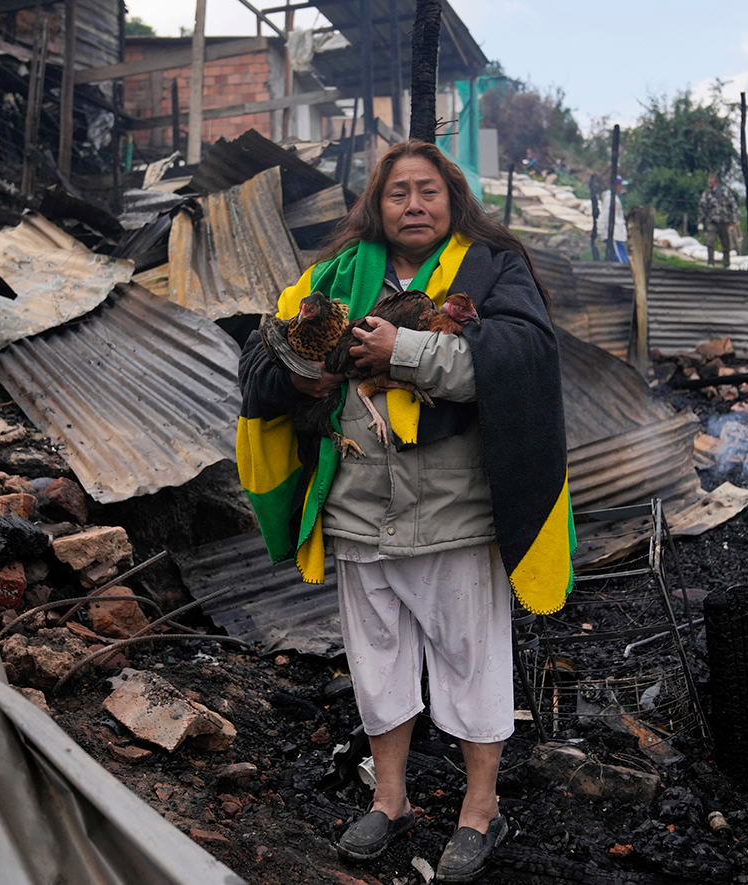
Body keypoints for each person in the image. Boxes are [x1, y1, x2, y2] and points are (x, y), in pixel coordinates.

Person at [237, 141, 574, 884]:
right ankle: (390, 799)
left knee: (470, 659)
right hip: (358, 509)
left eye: (428, 191)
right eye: (398, 193)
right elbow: (265, 359)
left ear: (452, 199)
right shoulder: (331, 276)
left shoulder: (493, 266)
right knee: (378, 663)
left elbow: (520, 356)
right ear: (377, 205)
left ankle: (479, 808)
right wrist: (304, 374)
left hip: (454, 511)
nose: (413, 204)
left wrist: (406, 351)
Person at [697, 175, 739, 268]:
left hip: (725, 222)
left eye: (711, 183)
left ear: (716, 182)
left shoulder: (726, 192)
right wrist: (700, 222)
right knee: (710, 242)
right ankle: (710, 263)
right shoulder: (707, 194)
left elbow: (733, 206)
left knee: (726, 244)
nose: (709, 185)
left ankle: (726, 264)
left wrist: (734, 220)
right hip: (712, 221)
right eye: (708, 183)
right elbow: (702, 208)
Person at [596, 177, 629, 264]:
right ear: (616, 186)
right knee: (621, 259)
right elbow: (605, 214)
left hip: (618, 233)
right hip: (614, 233)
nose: (621, 188)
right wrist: (600, 229)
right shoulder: (610, 198)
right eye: (620, 185)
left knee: (616, 258)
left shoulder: (616, 198)